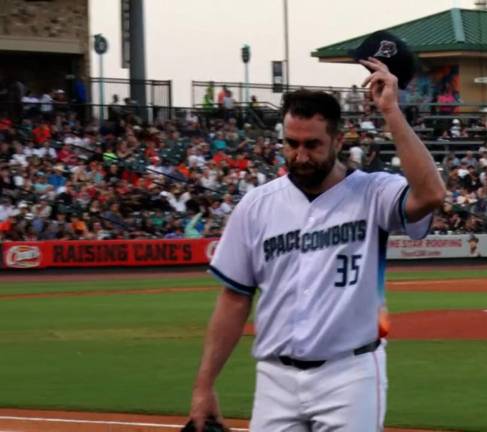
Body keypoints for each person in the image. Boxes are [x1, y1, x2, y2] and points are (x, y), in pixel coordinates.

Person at [187, 58, 446, 432]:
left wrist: (390, 111)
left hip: (350, 375)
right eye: (291, 144)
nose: (300, 155)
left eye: (312, 144)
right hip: (275, 378)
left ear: (338, 141)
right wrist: (204, 385)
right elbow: (234, 298)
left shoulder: (372, 192)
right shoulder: (257, 205)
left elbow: (432, 194)